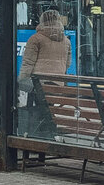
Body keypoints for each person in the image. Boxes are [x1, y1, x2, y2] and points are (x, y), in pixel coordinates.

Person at [17, 9, 71, 138]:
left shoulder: (35, 39)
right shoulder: (66, 41)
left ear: (42, 21)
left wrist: (22, 81)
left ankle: (40, 135)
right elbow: (67, 64)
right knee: (48, 108)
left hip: (39, 84)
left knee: (37, 109)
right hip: (57, 84)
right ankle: (48, 133)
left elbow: (28, 63)